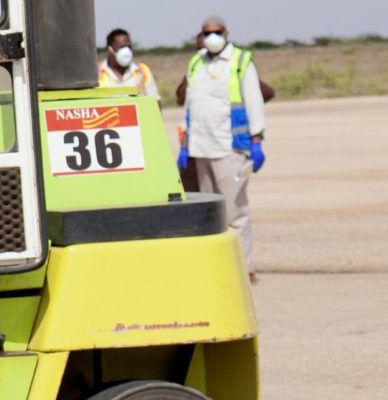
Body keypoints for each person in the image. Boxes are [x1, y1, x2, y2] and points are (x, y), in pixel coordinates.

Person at [175, 16, 267, 279]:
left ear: (226, 33)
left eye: (216, 32)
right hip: (201, 147)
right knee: (210, 213)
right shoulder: (196, 62)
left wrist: (257, 142)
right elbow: (189, 106)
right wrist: (184, 145)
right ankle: (218, 267)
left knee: (236, 213)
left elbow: (254, 103)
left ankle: (244, 267)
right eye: (207, 33)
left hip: (230, 148)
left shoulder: (240, 61)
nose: (212, 37)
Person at [97, 27, 157, 96]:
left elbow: (155, 101)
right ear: (109, 50)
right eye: (121, 47)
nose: (126, 51)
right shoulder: (96, 73)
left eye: (129, 47)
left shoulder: (142, 71)